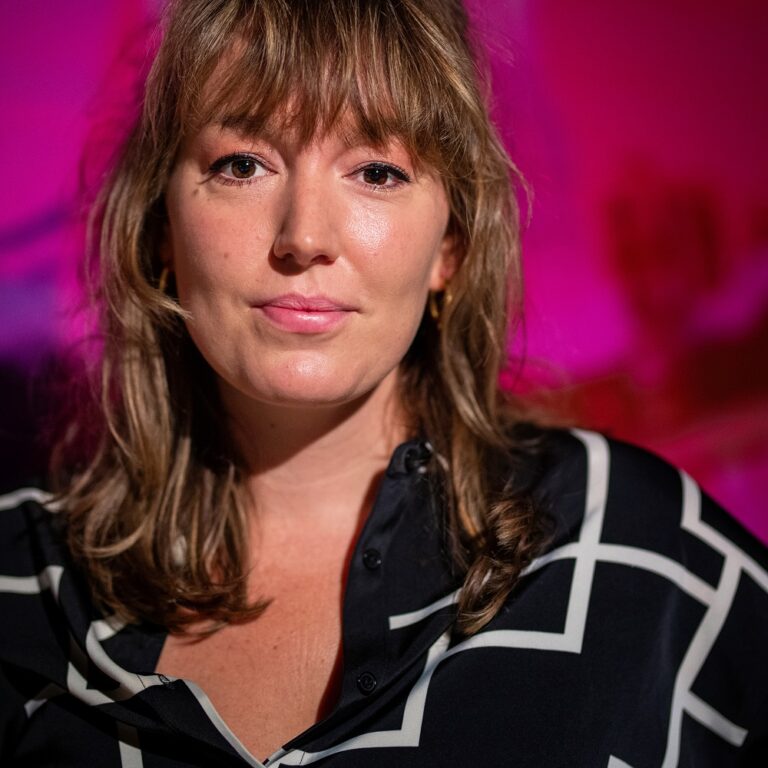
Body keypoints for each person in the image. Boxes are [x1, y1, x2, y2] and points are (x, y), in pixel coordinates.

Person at [1, 0, 766, 765]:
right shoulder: (17, 576)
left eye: (376, 171)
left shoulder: (634, 546)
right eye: (243, 164)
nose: (304, 236)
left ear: (450, 246)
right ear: (162, 224)